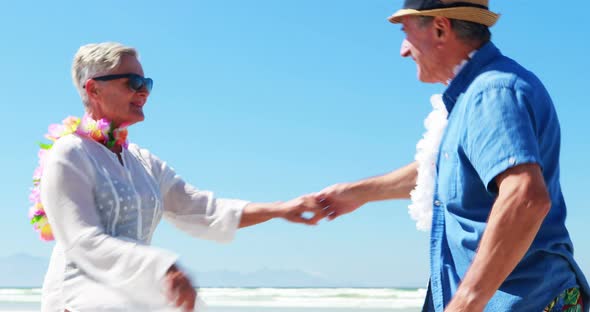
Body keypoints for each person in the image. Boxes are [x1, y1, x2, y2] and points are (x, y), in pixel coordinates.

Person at [316, 1, 589, 311]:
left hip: (522, 301)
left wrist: (465, 303)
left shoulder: (491, 92)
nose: (403, 50)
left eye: (406, 32)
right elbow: (446, 170)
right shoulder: (479, 92)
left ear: (440, 28)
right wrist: (358, 193)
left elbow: (525, 198)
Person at [37, 42, 326, 312]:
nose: (144, 92)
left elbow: (202, 209)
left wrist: (281, 209)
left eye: (147, 83)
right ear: (93, 89)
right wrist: (162, 268)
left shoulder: (143, 161)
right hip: (76, 303)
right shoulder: (70, 152)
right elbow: (82, 241)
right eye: (133, 82)